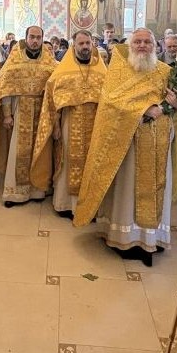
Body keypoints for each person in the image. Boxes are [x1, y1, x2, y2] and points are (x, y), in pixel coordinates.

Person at [74, 29, 177, 266]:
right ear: (130, 44)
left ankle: (150, 240)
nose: (143, 45)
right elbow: (111, 100)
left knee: (155, 189)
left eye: (147, 42)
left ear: (155, 46)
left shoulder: (166, 71)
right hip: (128, 141)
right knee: (127, 190)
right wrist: (144, 109)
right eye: (138, 41)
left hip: (158, 140)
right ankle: (123, 237)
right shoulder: (119, 70)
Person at [31, 30, 107, 218]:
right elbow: (52, 100)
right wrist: (55, 126)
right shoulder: (63, 70)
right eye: (81, 44)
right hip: (69, 122)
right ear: (74, 46)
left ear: (92, 44)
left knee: (91, 163)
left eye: (87, 43)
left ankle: (89, 206)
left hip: (94, 125)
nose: (85, 47)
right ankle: (66, 205)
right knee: (67, 162)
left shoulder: (101, 70)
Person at [0, 26, 57, 207]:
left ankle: (37, 189)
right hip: (21, 111)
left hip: (42, 112)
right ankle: (15, 193)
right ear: (25, 38)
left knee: (40, 150)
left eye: (38, 37)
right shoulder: (14, 60)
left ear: (42, 39)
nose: (35, 41)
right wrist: (7, 115)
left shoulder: (50, 62)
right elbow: (5, 89)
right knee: (19, 152)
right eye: (32, 37)